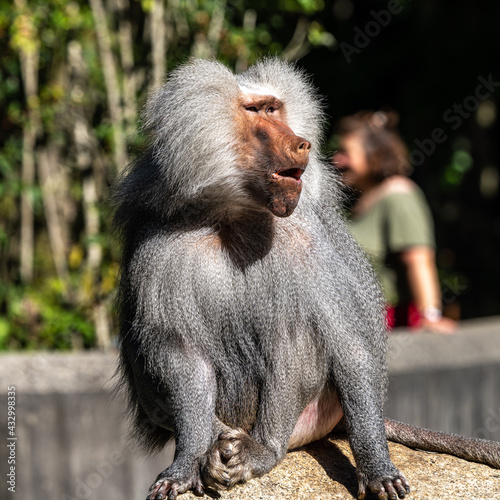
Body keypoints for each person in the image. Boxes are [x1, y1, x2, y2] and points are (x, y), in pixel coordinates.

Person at [333, 110, 456, 334]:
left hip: (392, 330)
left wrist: (429, 316)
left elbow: (418, 258)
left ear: (375, 155)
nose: (336, 160)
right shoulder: (363, 203)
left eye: (345, 151)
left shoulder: (398, 195)